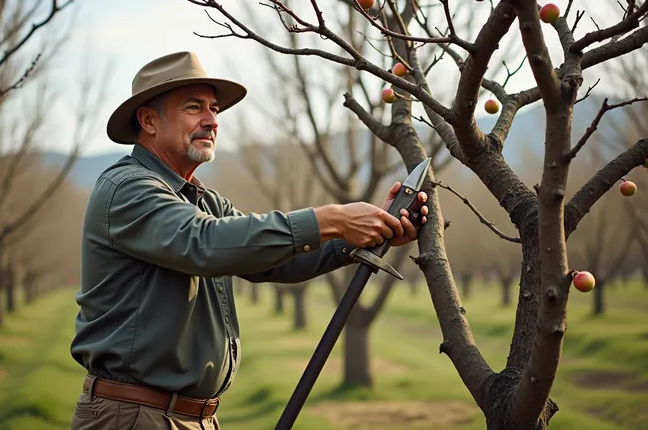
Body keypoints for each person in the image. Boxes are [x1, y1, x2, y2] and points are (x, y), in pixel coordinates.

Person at [68, 52, 429, 430]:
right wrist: (333, 218)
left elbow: (273, 258)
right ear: (148, 120)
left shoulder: (201, 200)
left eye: (214, 109)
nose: (211, 121)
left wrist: (365, 234)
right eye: (194, 108)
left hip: (189, 418)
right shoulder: (127, 188)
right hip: (134, 417)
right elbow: (204, 242)